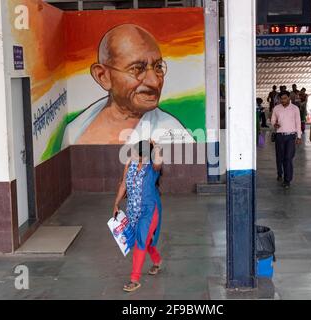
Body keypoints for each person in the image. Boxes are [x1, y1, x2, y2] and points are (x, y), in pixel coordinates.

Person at [63, 24, 194, 146]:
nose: (154, 81)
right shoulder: (75, 131)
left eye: (158, 67)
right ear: (103, 76)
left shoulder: (175, 137)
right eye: (137, 69)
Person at [113, 140, 163, 292]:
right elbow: (123, 184)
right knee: (144, 240)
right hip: (133, 211)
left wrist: (157, 148)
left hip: (149, 211)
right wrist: (116, 203)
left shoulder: (152, 168)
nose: (132, 154)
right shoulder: (130, 165)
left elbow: (158, 163)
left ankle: (134, 279)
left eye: (135, 152)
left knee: (142, 240)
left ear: (144, 156)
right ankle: (157, 260)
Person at [271, 91, 302, 189]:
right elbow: (272, 120)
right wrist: (274, 124)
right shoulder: (276, 108)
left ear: (289, 98)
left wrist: (299, 136)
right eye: (281, 99)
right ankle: (280, 173)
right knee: (280, 157)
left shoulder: (295, 109)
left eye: (285, 98)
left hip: (291, 136)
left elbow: (298, 123)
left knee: (288, 158)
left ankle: (287, 180)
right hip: (279, 136)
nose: (283, 100)